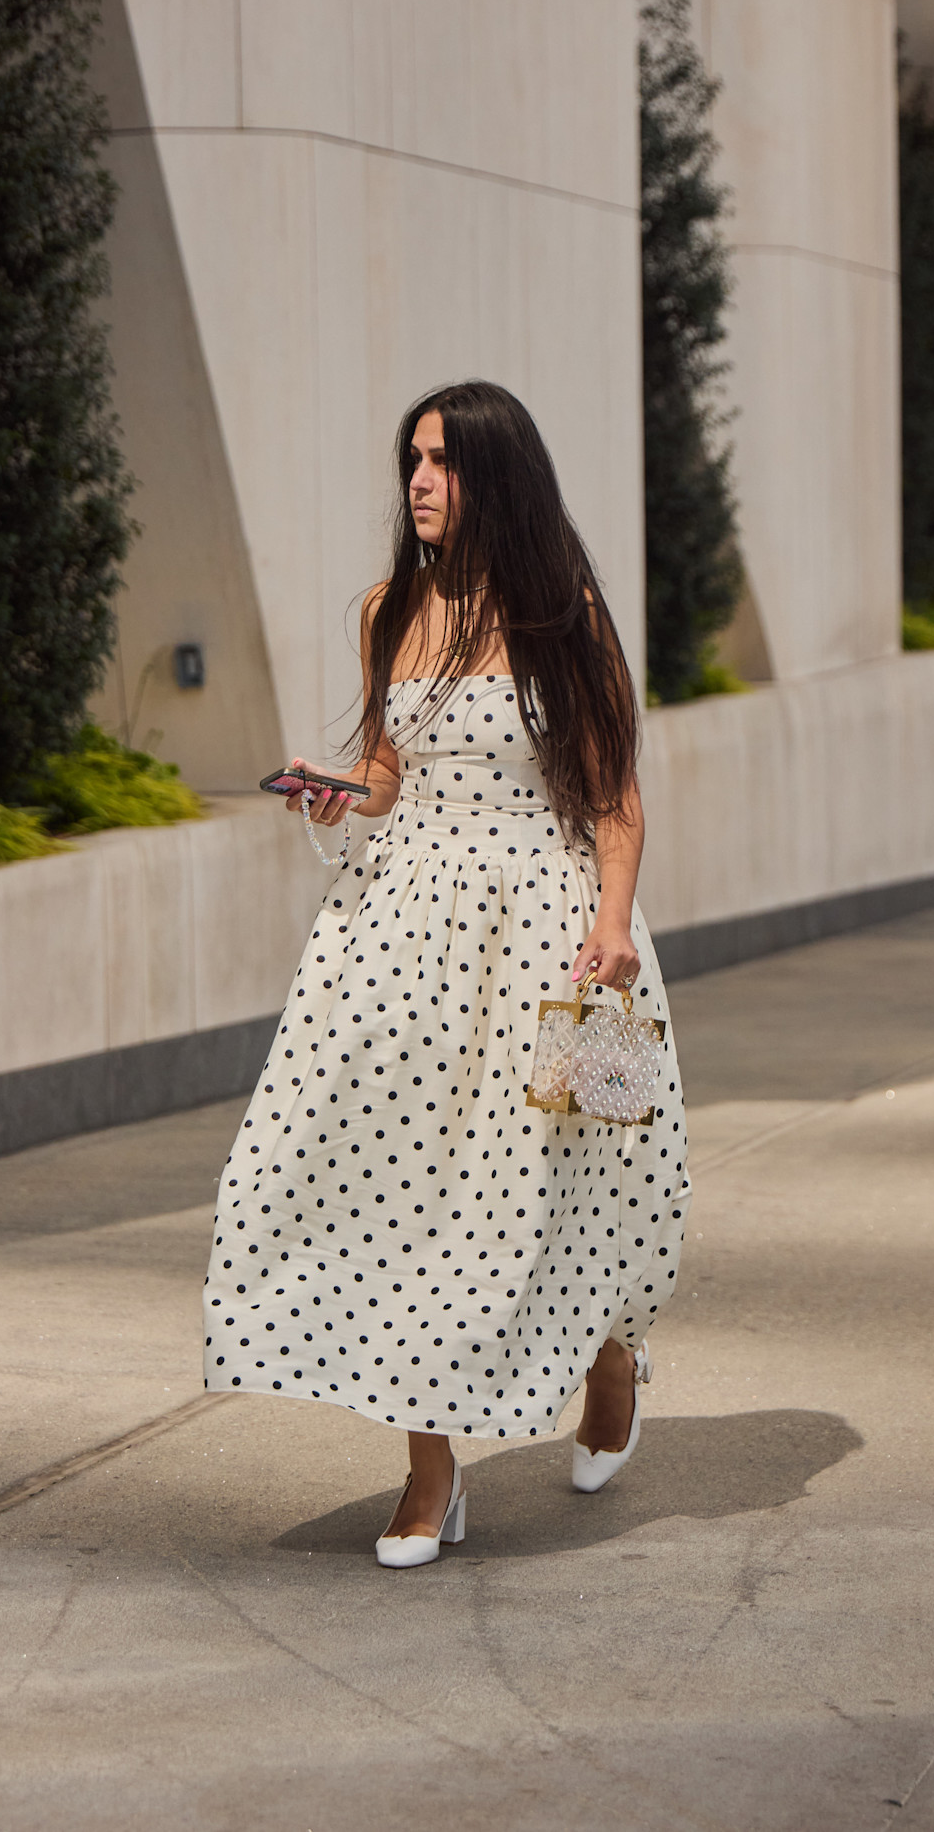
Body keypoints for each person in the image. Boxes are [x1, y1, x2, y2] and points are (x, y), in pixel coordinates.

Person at [203, 380, 690, 1567]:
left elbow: (612, 790)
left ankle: (611, 1362)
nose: (418, 481)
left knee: (584, 1180)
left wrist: (614, 929)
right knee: (403, 1194)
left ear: (496, 478)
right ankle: (429, 1474)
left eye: (443, 462)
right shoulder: (388, 609)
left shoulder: (560, 612)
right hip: (402, 939)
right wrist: (337, 789)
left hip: (553, 936)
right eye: (411, 460)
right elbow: (388, 775)